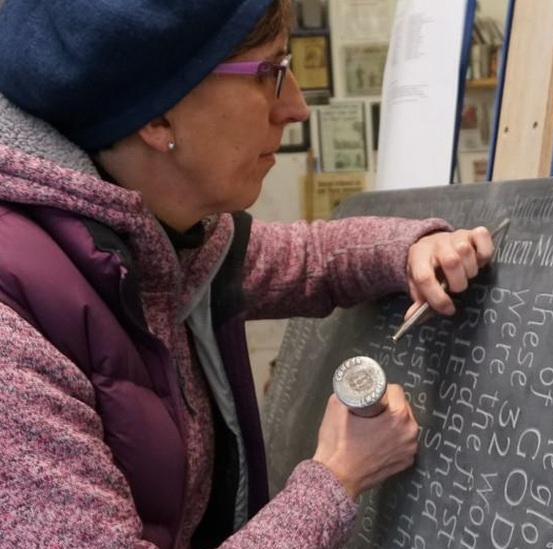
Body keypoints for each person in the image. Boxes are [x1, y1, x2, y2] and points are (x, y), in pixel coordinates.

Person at [0, 1, 493, 548]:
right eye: (271, 73)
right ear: (157, 117)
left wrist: (411, 249)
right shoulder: (13, 336)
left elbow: (309, 258)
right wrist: (335, 480)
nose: (297, 108)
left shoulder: (160, 240)